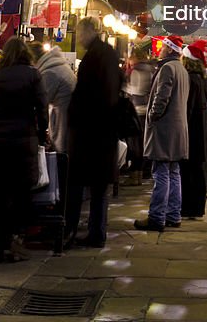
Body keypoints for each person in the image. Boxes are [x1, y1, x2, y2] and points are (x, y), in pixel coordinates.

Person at [0, 37, 48, 263]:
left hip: (0, 141)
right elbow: (41, 107)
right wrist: (41, 133)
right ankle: (16, 243)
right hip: (24, 140)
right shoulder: (33, 75)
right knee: (21, 192)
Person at [65, 17, 121, 248]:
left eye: (79, 34)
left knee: (82, 183)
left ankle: (85, 231)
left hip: (92, 132)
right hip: (102, 132)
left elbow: (93, 94)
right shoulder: (106, 53)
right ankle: (95, 231)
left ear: (88, 32)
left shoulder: (97, 56)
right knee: (99, 187)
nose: (78, 39)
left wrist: (76, 116)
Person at [134, 34, 189, 232]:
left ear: (170, 49)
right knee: (174, 172)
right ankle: (173, 215)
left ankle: (156, 217)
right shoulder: (182, 69)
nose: (160, 48)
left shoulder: (167, 68)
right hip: (178, 129)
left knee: (161, 172)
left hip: (164, 129)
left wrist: (152, 116)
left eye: (163, 46)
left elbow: (161, 98)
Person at [180, 42, 207, 219]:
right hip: (201, 129)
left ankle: (190, 207)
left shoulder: (191, 79)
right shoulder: (201, 78)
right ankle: (197, 207)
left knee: (190, 169)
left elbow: (189, 107)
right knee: (197, 169)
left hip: (193, 130)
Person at [27, 40, 76, 154]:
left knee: (62, 160)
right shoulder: (55, 65)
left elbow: (40, 103)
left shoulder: (50, 72)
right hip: (68, 120)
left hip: (64, 122)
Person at [122, 42, 157, 184]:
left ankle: (135, 175)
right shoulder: (150, 69)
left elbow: (136, 89)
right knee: (143, 143)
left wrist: (123, 86)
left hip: (138, 109)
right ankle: (142, 172)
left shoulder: (137, 70)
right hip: (147, 108)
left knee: (135, 144)